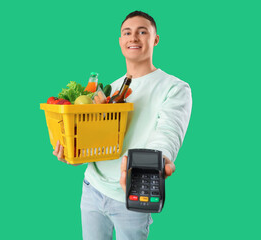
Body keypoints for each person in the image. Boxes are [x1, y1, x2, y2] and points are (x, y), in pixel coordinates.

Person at [53, 10, 192, 240]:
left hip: (131, 197)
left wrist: (160, 159)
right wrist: (74, 152)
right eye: (127, 32)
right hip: (92, 188)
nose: (133, 38)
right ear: (120, 41)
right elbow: (97, 139)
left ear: (155, 39)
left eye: (142, 32)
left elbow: (168, 132)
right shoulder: (111, 89)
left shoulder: (174, 88)